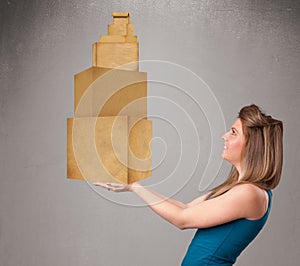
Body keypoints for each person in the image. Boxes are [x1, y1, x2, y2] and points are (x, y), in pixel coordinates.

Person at [94, 104, 283, 266]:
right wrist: (132, 185)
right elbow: (185, 207)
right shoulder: (238, 188)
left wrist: (136, 187)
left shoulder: (250, 193)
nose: (224, 136)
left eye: (233, 133)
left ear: (252, 145)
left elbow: (182, 219)